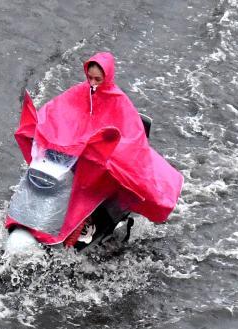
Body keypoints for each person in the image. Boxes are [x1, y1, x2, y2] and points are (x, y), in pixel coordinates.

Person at [11, 51, 183, 246]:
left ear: (107, 77)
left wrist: (103, 149)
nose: (92, 83)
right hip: (78, 159)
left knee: (93, 184)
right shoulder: (79, 92)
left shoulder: (119, 102)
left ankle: (87, 222)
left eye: (98, 79)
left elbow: (132, 139)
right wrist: (45, 131)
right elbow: (54, 113)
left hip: (100, 163)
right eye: (90, 78)